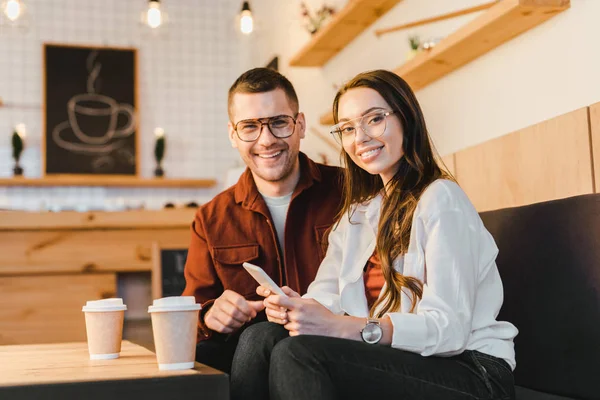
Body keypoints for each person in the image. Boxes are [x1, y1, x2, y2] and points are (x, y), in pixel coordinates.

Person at [230, 69, 519, 400]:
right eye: (349, 128)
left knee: (297, 354)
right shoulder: (356, 216)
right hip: (403, 361)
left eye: (375, 119)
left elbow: (449, 331)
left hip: (472, 371)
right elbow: (325, 298)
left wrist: (344, 327)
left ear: (406, 119)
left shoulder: (441, 198)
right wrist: (296, 308)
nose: (361, 137)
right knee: (262, 337)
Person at [181, 68, 343, 374]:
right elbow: (191, 315)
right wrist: (210, 315)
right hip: (248, 362)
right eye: (250, 127)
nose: (266, 140)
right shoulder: (210, 219)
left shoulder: (349, 193)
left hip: (335, 348)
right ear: (233, 134)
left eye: (279, 122)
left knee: (267, 337)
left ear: (301, 125)